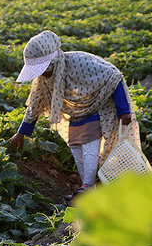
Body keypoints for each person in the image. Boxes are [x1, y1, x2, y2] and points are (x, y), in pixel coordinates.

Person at [8, 30, 141, 199]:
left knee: (89, 146)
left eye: (42, 69)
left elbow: (113, 77)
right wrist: (21, 134)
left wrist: (124, 111)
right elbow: (35, 105)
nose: (41, 74)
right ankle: (88, 187)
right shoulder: (42, 79)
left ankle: (87, 186)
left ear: (52, 62)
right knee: (76, 146)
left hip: (98, 105)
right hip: (77, 114)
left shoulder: (81, 62)